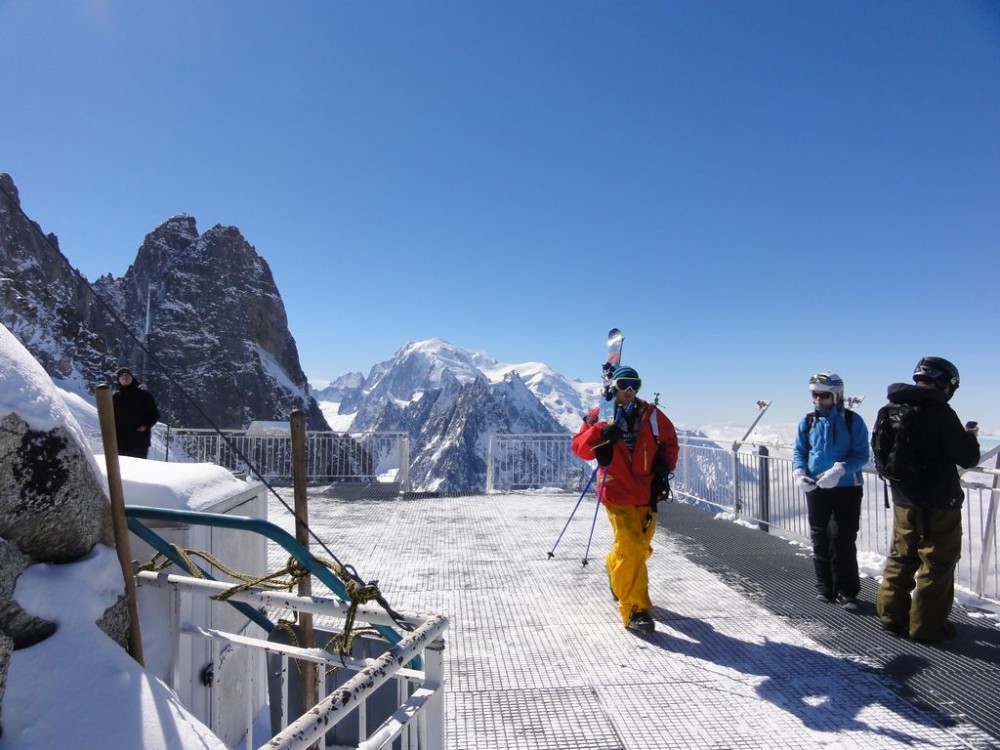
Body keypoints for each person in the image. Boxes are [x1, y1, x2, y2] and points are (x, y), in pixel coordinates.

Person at [875, 356, 980, 643]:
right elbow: (967, 457)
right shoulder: (941, 412)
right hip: (939, 503)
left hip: (903, 499)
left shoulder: (892, 408)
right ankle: (926, 627)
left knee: (900, 556)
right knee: (937, 563)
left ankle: (890, 616)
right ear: (946, 384)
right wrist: (969, 436)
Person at [571, 365, 679, 634]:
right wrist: (600, 433)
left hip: (647, 492)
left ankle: (613, 567)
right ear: (614, 387)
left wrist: (665, 466)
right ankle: (635, 609)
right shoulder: (601, 415)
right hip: (616, 490)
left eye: (635, 385)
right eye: (624, 385)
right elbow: (579, 448)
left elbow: (670, 442)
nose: (630, 392)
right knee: (631, 548)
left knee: (638, 549)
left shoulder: (652, 416)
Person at [792, 372, 870, 610]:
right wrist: (799, 472)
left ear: (836, 396)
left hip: (847, 488)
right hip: (816, 487)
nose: (817, 399)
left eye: (823, 395)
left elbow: (862, 455)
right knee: (819, 536)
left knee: (841, 537)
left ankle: (846, 591)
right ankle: (824, 586)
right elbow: (799, 452)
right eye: (814, 394)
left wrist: (840, 470)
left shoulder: (852, 421)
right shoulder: (807, 422)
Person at [112, 366, 160, 459]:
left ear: (132, 377)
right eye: (122, 376)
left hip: (139, 440)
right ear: (118, 380)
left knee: (137, 468)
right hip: (120, 441)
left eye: (127, 375)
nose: (125, 378)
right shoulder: (115, 398)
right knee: (123, 469)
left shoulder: (144, 395)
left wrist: (145, 425)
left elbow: (155, 414)